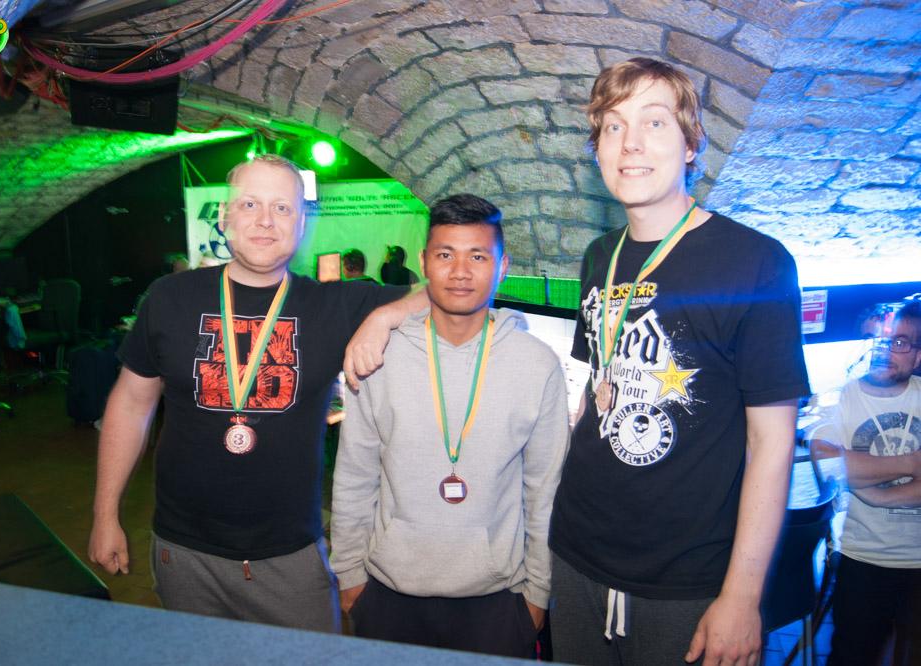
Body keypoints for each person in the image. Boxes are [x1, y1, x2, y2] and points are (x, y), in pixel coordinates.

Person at [88, 155, 424, 632]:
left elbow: (448, 291)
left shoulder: (333, 304)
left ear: (301, 223)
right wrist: (105, 515)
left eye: (282, 208)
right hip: (184, 554)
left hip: (291, 556)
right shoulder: (170, 297)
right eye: (250, 204)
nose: (266, 220)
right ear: (225, 217)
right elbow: (130, 405)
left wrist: (383, 317)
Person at [548, 57, 810, 665]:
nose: (630, 143)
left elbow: (772, 443)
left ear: (691, 145)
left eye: (655, 122)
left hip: (686, 577)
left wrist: (742, 596)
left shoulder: (756, 262)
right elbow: (595, 389)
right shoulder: (598, 255)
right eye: (613, 126)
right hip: (578, 551)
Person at [329, 194, 569, 657]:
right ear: (424, 263)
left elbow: (545, 491)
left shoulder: (537, 365)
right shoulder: (378, 356)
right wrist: (350, 574)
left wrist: (538, 594)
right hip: (388, 596)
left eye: (478, 256)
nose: (460, 272)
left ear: (502, 267)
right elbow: (355, 476)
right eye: (445, 255)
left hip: (498, 603)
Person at [811, 299, 921, 666]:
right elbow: (831, 467)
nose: (885, 350)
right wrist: (912, 463)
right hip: (862, 558)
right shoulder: (834, 397)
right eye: (877, 339)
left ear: (917, 356)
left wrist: (874, 491)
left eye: (900, 342)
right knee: (852, 656)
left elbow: (848, 471)